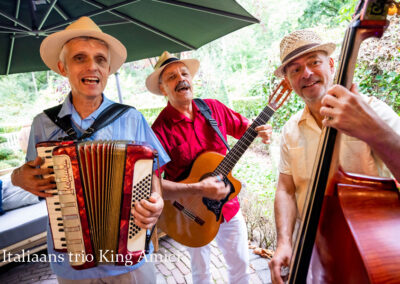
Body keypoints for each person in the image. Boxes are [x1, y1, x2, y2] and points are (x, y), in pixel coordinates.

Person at [11, 16, 169, 283]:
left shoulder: (131, 117)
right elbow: (31, 174)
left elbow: (155, 175)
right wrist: (18, 177)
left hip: (129, 259)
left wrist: (158, 201)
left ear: (108, 70)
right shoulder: (42, 124)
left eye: (100, 59)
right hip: (70, 263)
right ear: (63, 67)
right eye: (80, 58)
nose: (92, 67)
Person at [268, 29, 400, 284]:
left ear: (330, 64)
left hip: (372, 252)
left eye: (314, 62)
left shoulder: (371, 110)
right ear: (288, 81)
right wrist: (284, 241)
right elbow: (285, 189)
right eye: (294, 70)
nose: (306, 74)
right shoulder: (289, 130)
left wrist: (372, 129)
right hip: (317, 251)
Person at [145, 51, 272, 284]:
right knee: (201, 274)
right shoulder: (160, 130)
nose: (181, 79)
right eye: (172, 77)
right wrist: (198, 188)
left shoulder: (213, 108)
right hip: (188, 214)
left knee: (241, 266)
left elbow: (245, 128)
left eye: (184, 73)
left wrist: (260, 129)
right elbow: (154, 184)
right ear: (163, 89)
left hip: (228, 205)